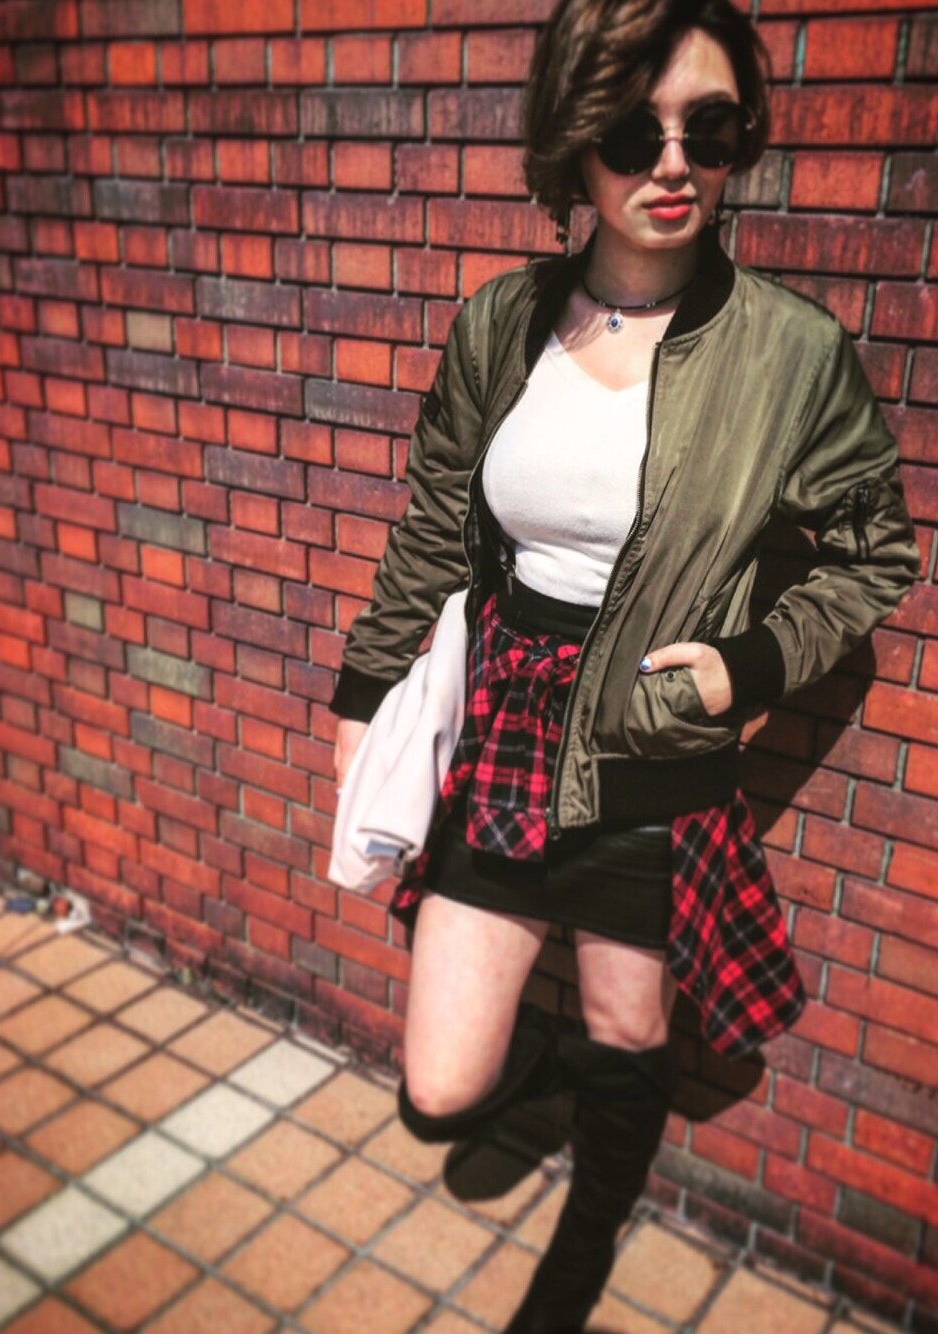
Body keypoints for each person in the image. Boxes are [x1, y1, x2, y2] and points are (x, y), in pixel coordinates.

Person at [329, 0, 919, 1329]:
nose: (672, 165)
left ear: (740, 141)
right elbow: (433, 522)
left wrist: (747, 668)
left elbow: (876, 553)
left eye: (709, 130)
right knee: (438, 1089)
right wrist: (364, 693)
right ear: (572, 142)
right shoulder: (503, 322)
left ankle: (584, 1245)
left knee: (632, 1028)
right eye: (630, 133)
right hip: (503, 725)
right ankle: (551, 1062)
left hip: (652, 740)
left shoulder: (790, 353)